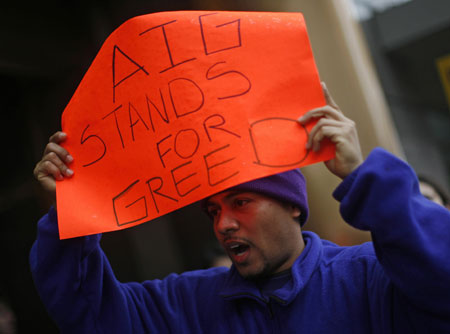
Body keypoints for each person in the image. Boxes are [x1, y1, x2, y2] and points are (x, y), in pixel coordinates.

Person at [31, 84, 450, 333]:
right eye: (213, 211)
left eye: (241, 202)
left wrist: (362, 174)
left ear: (292, 207)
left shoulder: (369, 279)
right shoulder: (189, 302)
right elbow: (88, 314)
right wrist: (72, 211)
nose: (224, 224)